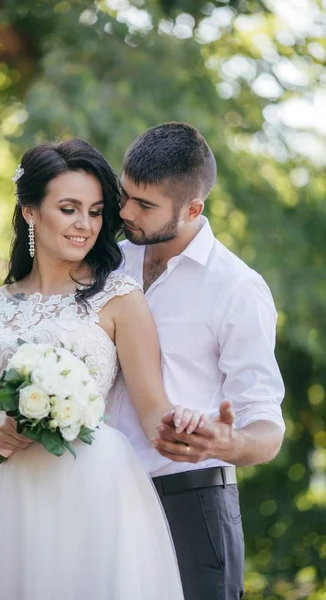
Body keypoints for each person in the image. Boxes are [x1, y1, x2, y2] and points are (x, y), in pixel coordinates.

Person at [0, 139, 197, 600]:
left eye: (96, 211)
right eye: (69, 208)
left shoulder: (119, 297)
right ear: (30, 212)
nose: (85, 225)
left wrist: (191, 423)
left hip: (96, 489)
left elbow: (153, 409)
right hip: (13, 497)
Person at [107, 122, 285, 600]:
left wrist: (226, 442)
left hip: (189, 501)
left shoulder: (237, 288)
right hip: (97, 500)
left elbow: (266, 425)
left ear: (192, 209)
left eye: (144, 205)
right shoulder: (105, 263)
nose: (125, 211)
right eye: (125, 195)